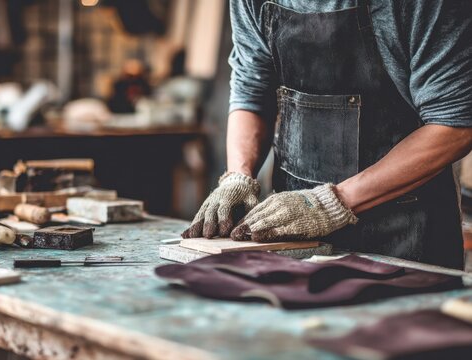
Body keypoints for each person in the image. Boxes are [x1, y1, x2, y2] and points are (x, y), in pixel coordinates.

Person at [182, 0, 472, 269]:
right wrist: (239, 175)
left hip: (406, 240)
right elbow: (251, 91)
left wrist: (331, 203)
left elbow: (454, 126)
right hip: (293, 229)